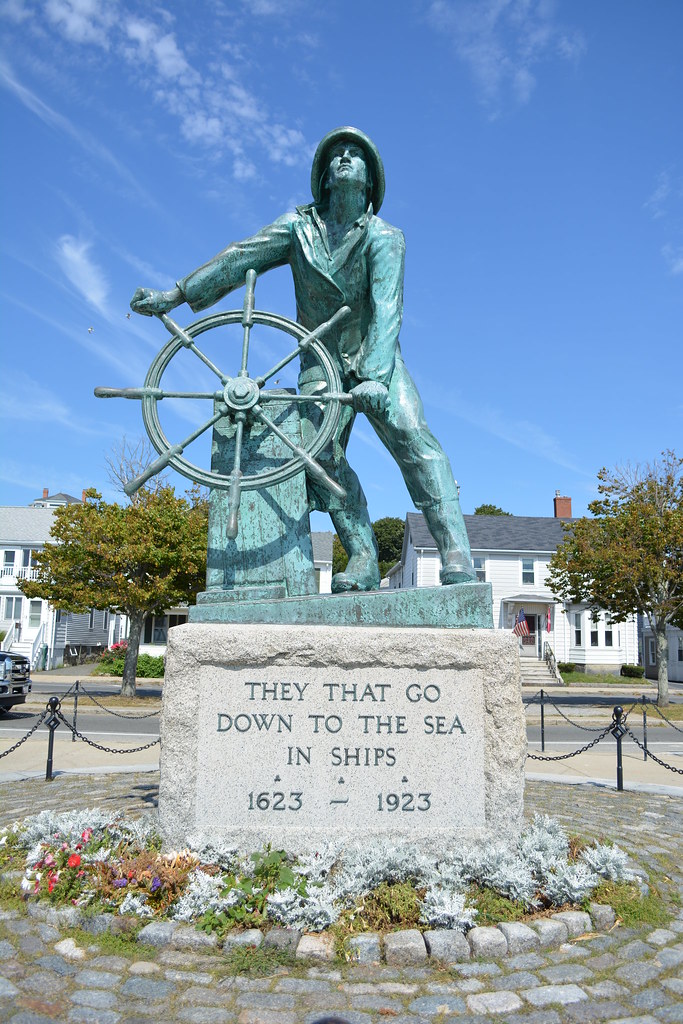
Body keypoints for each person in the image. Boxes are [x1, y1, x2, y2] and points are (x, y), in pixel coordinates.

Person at [131, 126, 475, 592]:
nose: (346, 159)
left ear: (370, 181)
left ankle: (456, 551)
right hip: (320, 364)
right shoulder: (298, 228)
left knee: (417, 443)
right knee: (320, 462)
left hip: (378, 360)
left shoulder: (385, 237)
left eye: (357, 155)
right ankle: (363, 559)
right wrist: (176, 295)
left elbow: (388, 307)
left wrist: (374, 376)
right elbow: (239, 257)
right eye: (337, 155)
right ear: (325, 178)